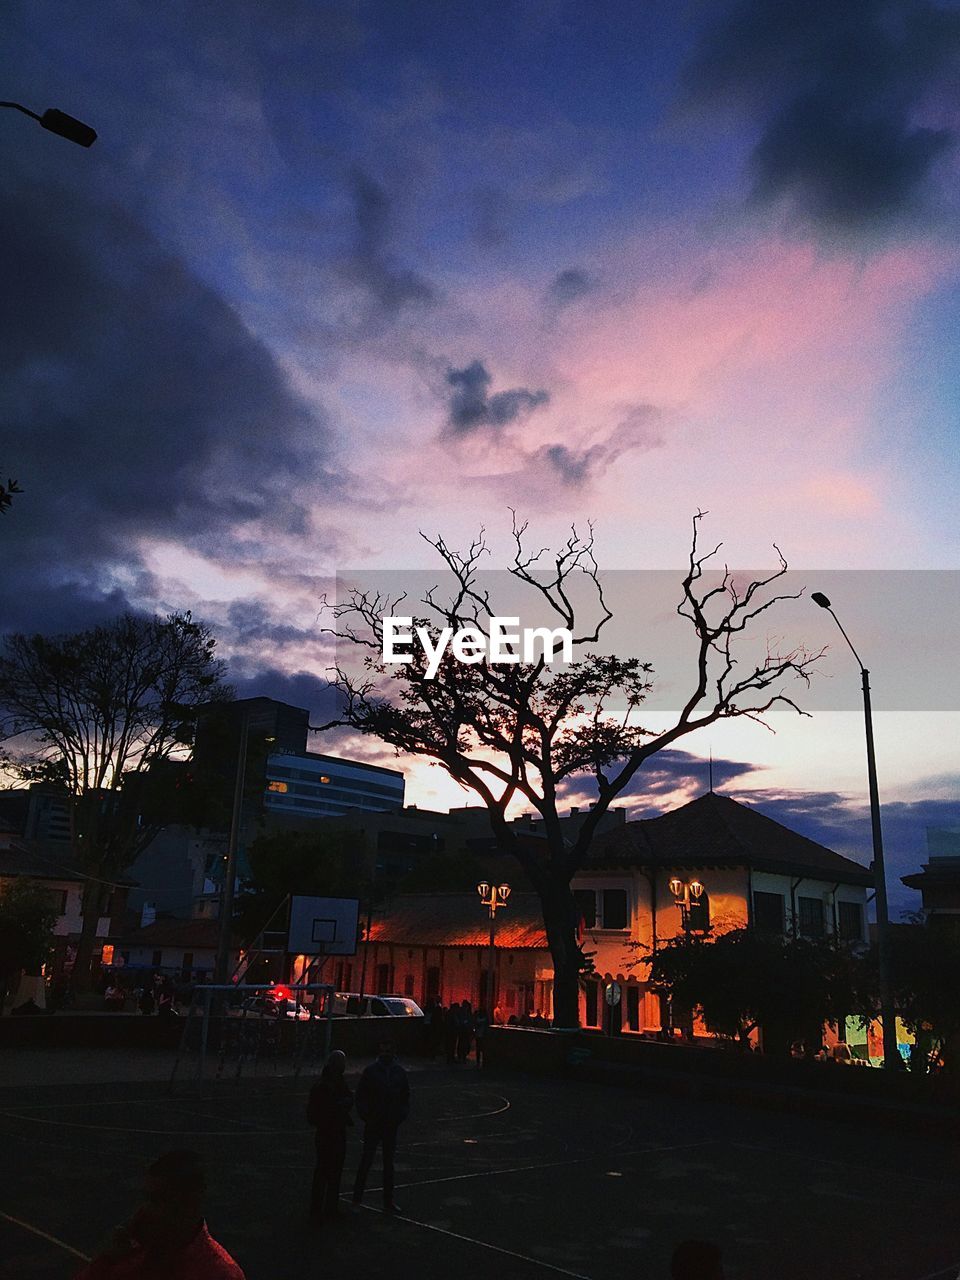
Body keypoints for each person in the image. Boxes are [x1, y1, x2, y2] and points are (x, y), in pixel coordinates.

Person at [73, 1149, 245, 1279]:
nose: (144, 1210)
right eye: (147, 1199)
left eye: (157, 1200)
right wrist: (108, 1259)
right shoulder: (138, 1254)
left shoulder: (218, 1274)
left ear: (189, 1203)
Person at [352, 1039, 410, 1215]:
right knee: (367, 1160)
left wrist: (399, 1115)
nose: (386, 1054)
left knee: (387, 1163)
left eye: (388, 1051)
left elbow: (405, 1097)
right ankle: (357, 1199)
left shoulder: (398, 1072)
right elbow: (361, 1096)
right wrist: (367, 1115)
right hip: (375, 1121)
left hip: (390, 1123)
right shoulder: (371, 1072)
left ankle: (387, 1200)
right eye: (383, 1050)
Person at [306, 1050, 353, 1225]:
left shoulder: (335, 1082)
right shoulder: (324, 1085)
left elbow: (348, 1098)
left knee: (333, 1171)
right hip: (328, 1132)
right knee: (324, 1171)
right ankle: (319, 1208)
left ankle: (328, 1207)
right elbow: (316, 1112)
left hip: (335, 1130)